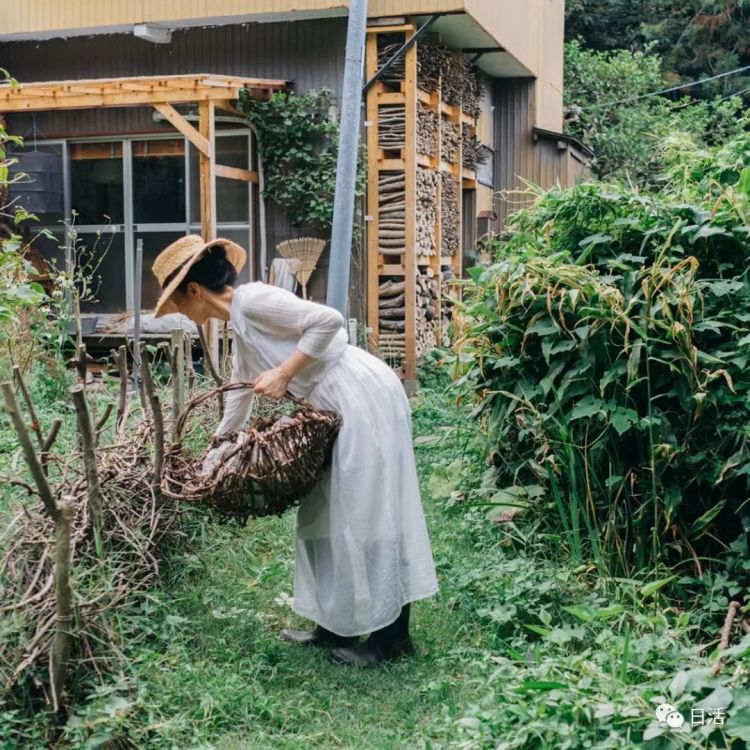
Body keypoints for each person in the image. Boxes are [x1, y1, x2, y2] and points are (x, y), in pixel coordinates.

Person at [151, 235, 439, 667]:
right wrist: (217, 452)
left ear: (193, 291)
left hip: (360, 394)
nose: (179, 313)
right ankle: (332, 624)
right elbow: (241, 394)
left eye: (177, 302)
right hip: (329, 406)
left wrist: (285, 373)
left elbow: (329, 321)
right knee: (320, 514)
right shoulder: (240, 326)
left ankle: (391, 638)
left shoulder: (252, 300)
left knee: (369, 511)